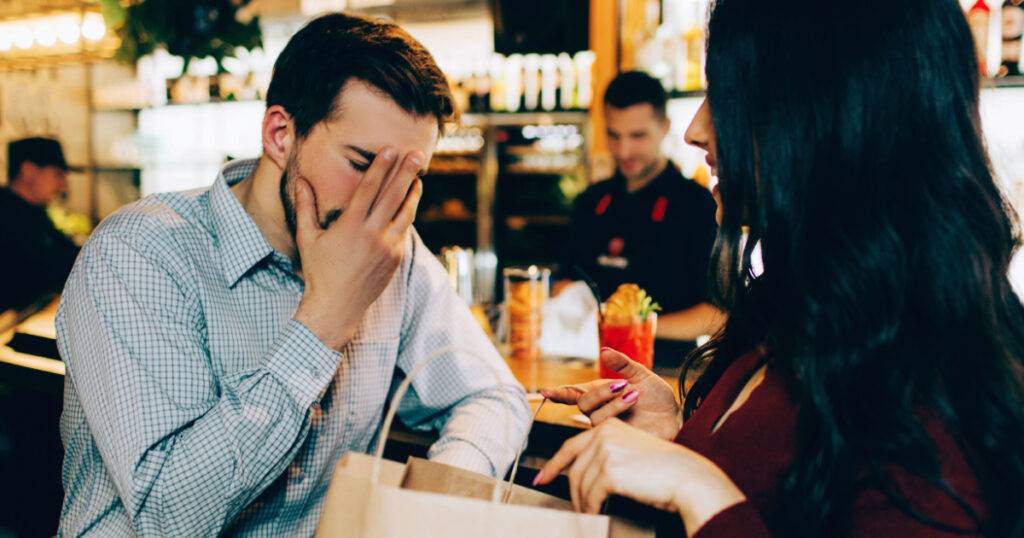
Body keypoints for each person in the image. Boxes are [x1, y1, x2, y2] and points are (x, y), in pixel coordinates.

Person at [535, 0, 1024, 536]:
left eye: (726, 96)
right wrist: (683, 439)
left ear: (827, 113)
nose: (694, 130)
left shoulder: (931, 384)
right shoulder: (800, 304)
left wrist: (696, 486)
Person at [56, 13, 531, 537]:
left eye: (408, 178)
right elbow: (168, 518)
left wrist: (429, 510)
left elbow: (494, 397)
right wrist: (326, 318)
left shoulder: (396, 254)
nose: (381, 199)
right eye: (362, 162)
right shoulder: (140, 253)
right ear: (281, 135)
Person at [556, 70, 724, 367]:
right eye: (613, 135)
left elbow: (717, 316)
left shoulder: (698, 206)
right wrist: (570, 298)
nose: (624, 151)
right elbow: (564, 279)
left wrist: (634, 325)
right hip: (587, 367)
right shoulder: (591, 201)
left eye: (637, 136)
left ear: (665, 128)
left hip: (668, 372)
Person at [0, 137, 79, 312]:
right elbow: (42, 267)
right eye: (57, 174)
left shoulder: (35, 212)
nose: (62, 186)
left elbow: (66, 252)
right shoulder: (6, 214)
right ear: (28, 171)